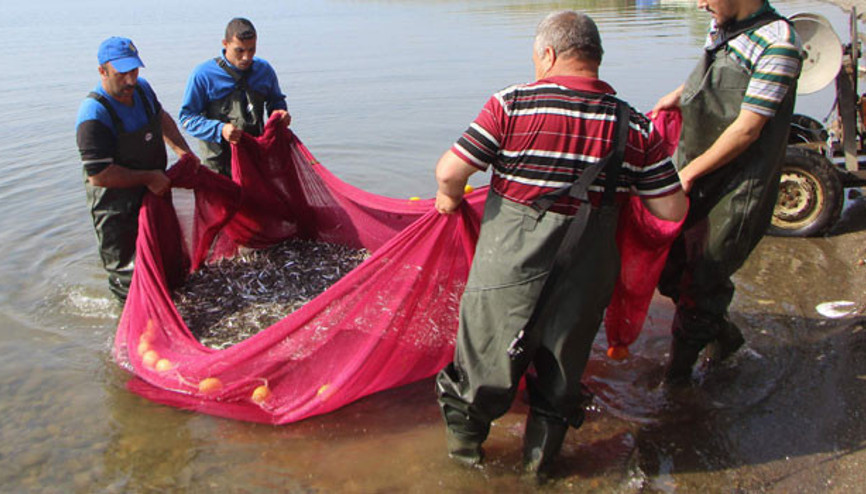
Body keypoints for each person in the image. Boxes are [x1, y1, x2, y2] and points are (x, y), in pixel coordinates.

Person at [433, 11, 688, 479]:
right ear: (594, 58)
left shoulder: (511, 105)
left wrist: (449, 200)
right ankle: (537, 471)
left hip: (509, 271)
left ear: (548, 54)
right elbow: (672, 209)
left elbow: (451, 171)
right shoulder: (634, 126)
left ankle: (465, 467)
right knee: (561, 376)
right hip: (586, 277)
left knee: (481, 368)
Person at [651, 0, 802, 385]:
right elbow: (716, 76)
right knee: (667, 269)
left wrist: (686, 175)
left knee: (704, 279)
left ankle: (676, 382)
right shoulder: (724, 25)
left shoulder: (779, 43)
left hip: (737, 187)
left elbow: (748, 129)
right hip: (699, 171)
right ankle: (724, 335)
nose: (700, 3)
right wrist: (677, 95)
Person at [76, 37, 198, 301]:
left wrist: (183, 152)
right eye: (122, 74)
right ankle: (130, 332)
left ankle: (172, 313)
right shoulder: (93, 115)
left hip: (153, 193)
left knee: (166, 264)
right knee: (129, 280)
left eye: (134, 70)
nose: (130, 80)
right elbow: (98, 176)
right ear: (102, 71)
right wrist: (148, 177)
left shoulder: (142, 90)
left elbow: (162, 119)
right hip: (116, 210)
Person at [179, 17, 292, 177]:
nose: (246, 57)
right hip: (218, 165)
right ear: (225, 44)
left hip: (253, 158)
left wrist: (280, 113)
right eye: (239, 50)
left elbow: (276, 101)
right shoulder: (203, 75)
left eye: (251, 50)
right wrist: (220, 129)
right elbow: (187, 119)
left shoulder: (264, 70)